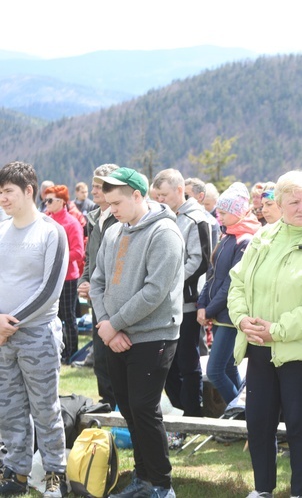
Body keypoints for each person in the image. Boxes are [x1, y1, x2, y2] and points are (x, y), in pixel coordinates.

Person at [228, 170, 302, 498]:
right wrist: (241, 320)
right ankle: (263, 489)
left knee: (297, 423)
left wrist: (277, 330)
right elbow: (238, 283)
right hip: (260, 344)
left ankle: (301, 492)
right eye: (294, 201)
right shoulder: (264, 237)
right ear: (278, 203)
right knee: (259, 421)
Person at [90, 167, 184, 498]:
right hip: (114, 334)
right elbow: (98, 280)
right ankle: (143, 479)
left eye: (117, 202)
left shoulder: (165, 234)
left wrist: (113, 323)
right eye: (108, 202)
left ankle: (161, 485)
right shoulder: (115, 231)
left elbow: (154, 292)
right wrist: (105, 325)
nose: (111, 209)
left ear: (136, 195)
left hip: (153, 335)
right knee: (129, 408)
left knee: (144, 408)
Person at [0, 161, 69, 498]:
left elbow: (50, 290)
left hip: (36, 335)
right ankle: (16, 472)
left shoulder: (50, 231)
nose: (3, 198)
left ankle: (56, 473)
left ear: (29, 191)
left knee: (45, 408)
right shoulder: (0, 230)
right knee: (8, 408)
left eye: (8, 191)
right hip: (1, 337)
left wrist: (8, 321)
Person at [153, 168, 211, 419]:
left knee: (187, 361)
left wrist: (170, 280)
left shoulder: (197, 219)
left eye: (164, 195)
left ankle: (192, 414)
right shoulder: (165, 216)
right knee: (167, 364)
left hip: (187, 301)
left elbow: (200, 261)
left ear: (179, 190)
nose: (160, 200)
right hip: (166, 301)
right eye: (157, 196)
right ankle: (178, 408)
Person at [197, 183, 260, 404]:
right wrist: (201, 304)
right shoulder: (228, 237)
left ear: (236, 212)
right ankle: (242, 414)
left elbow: (233, 282)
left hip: (230, 317)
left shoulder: (245, 241)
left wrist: (209, 308)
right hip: (218, 312)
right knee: (228, 369)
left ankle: (240, 414)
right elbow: (212, 274)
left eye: (223, 212)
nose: (218, 216)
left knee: (215, 371)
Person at [77, 163, 120, 406]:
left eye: (98, 186)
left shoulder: (121, 219)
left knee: (114, 357)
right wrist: (85, 281)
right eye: (92, 186)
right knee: (101, 357)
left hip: (115, 301)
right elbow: (90, 257)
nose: (93, 191)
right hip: (97, 298)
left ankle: (119, 410)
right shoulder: (94, 217)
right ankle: (106, 404)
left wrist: (97, 288)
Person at [44, 184, 85, 363]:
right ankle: (57, 351)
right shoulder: (44, 221)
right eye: (45, 200)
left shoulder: (71, 222)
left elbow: (79, 252)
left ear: (61, 202)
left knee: (68, 316)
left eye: (50, 200)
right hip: (48, 276)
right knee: (52, 316)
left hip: (68, 277)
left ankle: (71, 353)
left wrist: (56, 256)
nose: (46, 203)